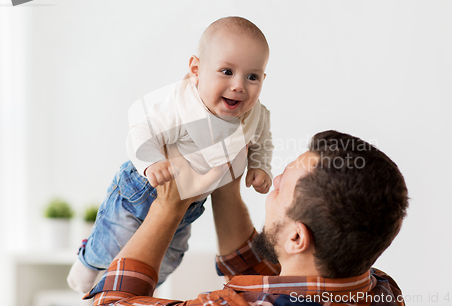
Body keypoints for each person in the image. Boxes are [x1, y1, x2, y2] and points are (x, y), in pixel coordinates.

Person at [84, 130, 410, 306]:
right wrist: (227, 182)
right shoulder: (379, 290)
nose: (273, 187)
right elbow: (267, 276)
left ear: (297, 237)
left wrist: (168, 208)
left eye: (280, 187)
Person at [67, 16, 274, 293]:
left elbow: (262, 142)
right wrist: (152, 163)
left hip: (190, 205)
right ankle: (87, 262)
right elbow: (140, 133)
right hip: (141, 187)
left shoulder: (255, 114)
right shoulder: (180, 105)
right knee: (111, 242)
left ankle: (125, 282)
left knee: (169, 258)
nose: (239, 85)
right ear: (196, 69)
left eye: (252, 77)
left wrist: (260, 167)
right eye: (226, 71)